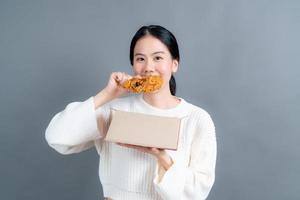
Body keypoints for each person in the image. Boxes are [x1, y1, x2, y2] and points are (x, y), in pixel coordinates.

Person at [45, 25, 217, 200]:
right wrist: (107, 95)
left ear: (174, 64)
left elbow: (198, 192)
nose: (149, 67)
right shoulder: (114, 111)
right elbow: (57, 137)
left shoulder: (197, 119)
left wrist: (162, 157)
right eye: (140, 59)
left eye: (158, 57)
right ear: (133, 65)